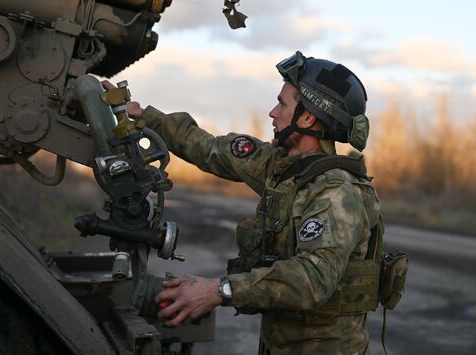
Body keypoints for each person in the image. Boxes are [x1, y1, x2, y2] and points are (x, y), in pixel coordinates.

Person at [103, 51, 380, 354]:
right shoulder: (282, 166)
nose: (273, 113)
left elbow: (313, 278)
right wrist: (145, 117)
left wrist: (218, 290)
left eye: (282, 104)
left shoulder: (335, 192)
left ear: (308, 118)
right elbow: (208, 148)